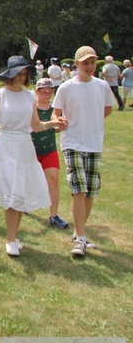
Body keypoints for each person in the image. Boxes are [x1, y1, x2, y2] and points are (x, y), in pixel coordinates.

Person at [0, 56, 66, 257]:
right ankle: (10, 239)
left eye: (24, 74)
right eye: (18, 74)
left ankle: (14, 237)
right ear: (9, 75)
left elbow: (36, 125)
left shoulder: (30, 97)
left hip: (25, 147)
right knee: (12, 194)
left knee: (19, 191)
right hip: (5, 147)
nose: (21, 78)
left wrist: (53, 124)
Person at [51, 46, 114, 256]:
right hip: (72, 142)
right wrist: (59, 121)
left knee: (90, 190)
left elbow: (107, 109)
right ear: (76, 64)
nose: (89, 66)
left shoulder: (102, 86)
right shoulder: (66, 87)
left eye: (92, 62)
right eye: (85, 63)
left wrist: (91, 122)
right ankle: (80, 237)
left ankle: (80, 233)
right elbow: (55, 114)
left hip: (94, 143)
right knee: (78, 188)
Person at [31, 78, 67, 229]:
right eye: (43, 92)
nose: (46, 95)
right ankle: (23, 205)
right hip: (31, 151)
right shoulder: (31, 108)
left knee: (53, 180)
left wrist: (61, 126)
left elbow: (58, 129)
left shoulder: (55, 109)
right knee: (30, 181)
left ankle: (53, 215)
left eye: (49, 92)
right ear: (37, 92)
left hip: (49, 150)